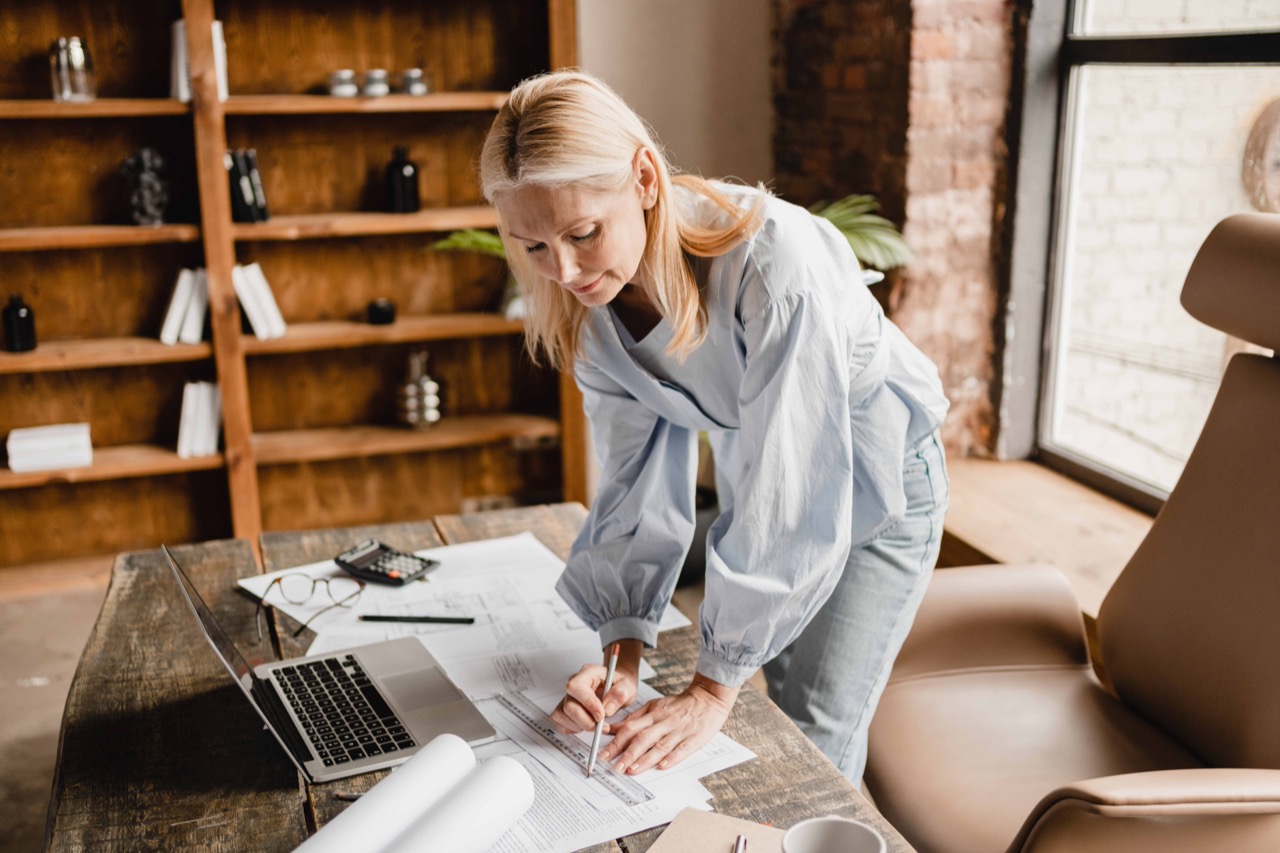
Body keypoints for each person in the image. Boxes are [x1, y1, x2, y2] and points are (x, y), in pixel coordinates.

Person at [478, 69, 949, 784]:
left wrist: (709, 689)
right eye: (534, 246)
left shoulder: (775, 264)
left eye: (582, 233)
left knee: (812, 736)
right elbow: (632, 483)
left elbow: (795, 490)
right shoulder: (592, 311)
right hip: (768, 476)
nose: (564, 269)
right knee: (773, 705)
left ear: (642, 178)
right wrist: (622, 658)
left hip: (882, 478)